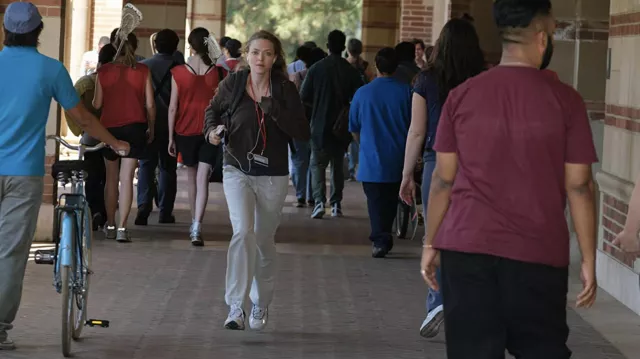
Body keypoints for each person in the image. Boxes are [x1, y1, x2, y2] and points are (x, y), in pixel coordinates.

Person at [420, 1, 598, 357]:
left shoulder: (462, 96)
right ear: (543, 38)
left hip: (466, 249)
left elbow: (443, 180)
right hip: (537, 255)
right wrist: (590, 260)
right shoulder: (566, 100)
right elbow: (579, 185)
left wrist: (430, 243)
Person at [0, 2, 129, 350]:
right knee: (10, 252)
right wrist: (114, 141)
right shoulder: (51, 70)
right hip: (23, 175)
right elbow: (84, 119)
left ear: (5, 30)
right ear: (38, 32)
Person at [203, 30, 310, 331]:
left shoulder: (285, 90)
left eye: (267, 53)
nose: (260, 58)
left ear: (275, 58)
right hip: (236, 167)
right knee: (243, 233)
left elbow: (302, 132)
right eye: (255, 52)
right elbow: (212, 111)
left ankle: (260, 301)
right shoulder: (235, 83)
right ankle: (235, 306)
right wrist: (212, 132)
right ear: (246, 55)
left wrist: (273, 109)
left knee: (263, 240)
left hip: (273, 174)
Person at [399, 18, 486, 339]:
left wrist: (407, 174)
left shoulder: (425, 80)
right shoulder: (484, 80)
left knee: (436, 233)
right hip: (477, 166)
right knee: (471, 235)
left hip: (438, 163)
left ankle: (437, 302)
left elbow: (417, 131)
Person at [349, 47, 411, 258]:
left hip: (371, 159)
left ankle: (380, 238)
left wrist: (362, 143)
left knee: (375, 202)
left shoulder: (362, 93)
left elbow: (354, 127)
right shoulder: (407, 92)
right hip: (398, 157)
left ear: (376, 65)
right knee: (392, 199)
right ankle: (383, 236)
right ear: (396, 67)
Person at [168, 27, 226, 246]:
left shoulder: (178, 72)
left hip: (185, 130)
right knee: (203, 178)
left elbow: (173, 107)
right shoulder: (219, 73)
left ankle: (194, 221)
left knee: (192, 178)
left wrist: (171, 137)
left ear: (190, 46)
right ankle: (196, 226)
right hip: (210, 130)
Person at [94, 37, 155, 242]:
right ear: (135, 47)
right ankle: (122, 228)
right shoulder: (143, 71)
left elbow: (96, 104)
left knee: (111, 178)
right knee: (127, 178)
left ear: (113, 47)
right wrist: (151, 127)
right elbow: (150, 105)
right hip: (135, 128)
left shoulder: (103, 72)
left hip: (109, 128)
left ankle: (110, 225)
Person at [301, 29, 364, 219]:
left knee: (317, 165)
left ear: (327, 46)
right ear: (343, 47)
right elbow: (358, 97)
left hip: (319, 125)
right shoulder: (351, 71)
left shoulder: (316, 69)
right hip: (341, 127)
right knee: (337, 165)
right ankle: (336, 204)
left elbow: (304, 96)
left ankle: (319, 202)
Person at [66, 43, 120, 231]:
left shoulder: (85, 83)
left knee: (92, 177)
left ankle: (94, 210)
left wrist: (79, 130)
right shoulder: (119, 84)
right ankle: (106, 215)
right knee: (110, 178)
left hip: (90, 138)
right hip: (113, 136)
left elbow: (70, 108)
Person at [135, 29, 183, 226]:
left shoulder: (143, 67)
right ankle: (165, 211)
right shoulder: (181, 69)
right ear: (175, 47)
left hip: (147, 123)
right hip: (173, 125)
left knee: (146, 164)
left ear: (155, 45)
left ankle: (143, 208)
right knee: (168, 168)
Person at [289, 47, 325, 207]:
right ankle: (312, 196)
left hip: (298, 123)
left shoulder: (297, 76)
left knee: (298, 160)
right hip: (317, 123)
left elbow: (290, 101)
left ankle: (300, 195)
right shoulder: (323, 78)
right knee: (314, 161)